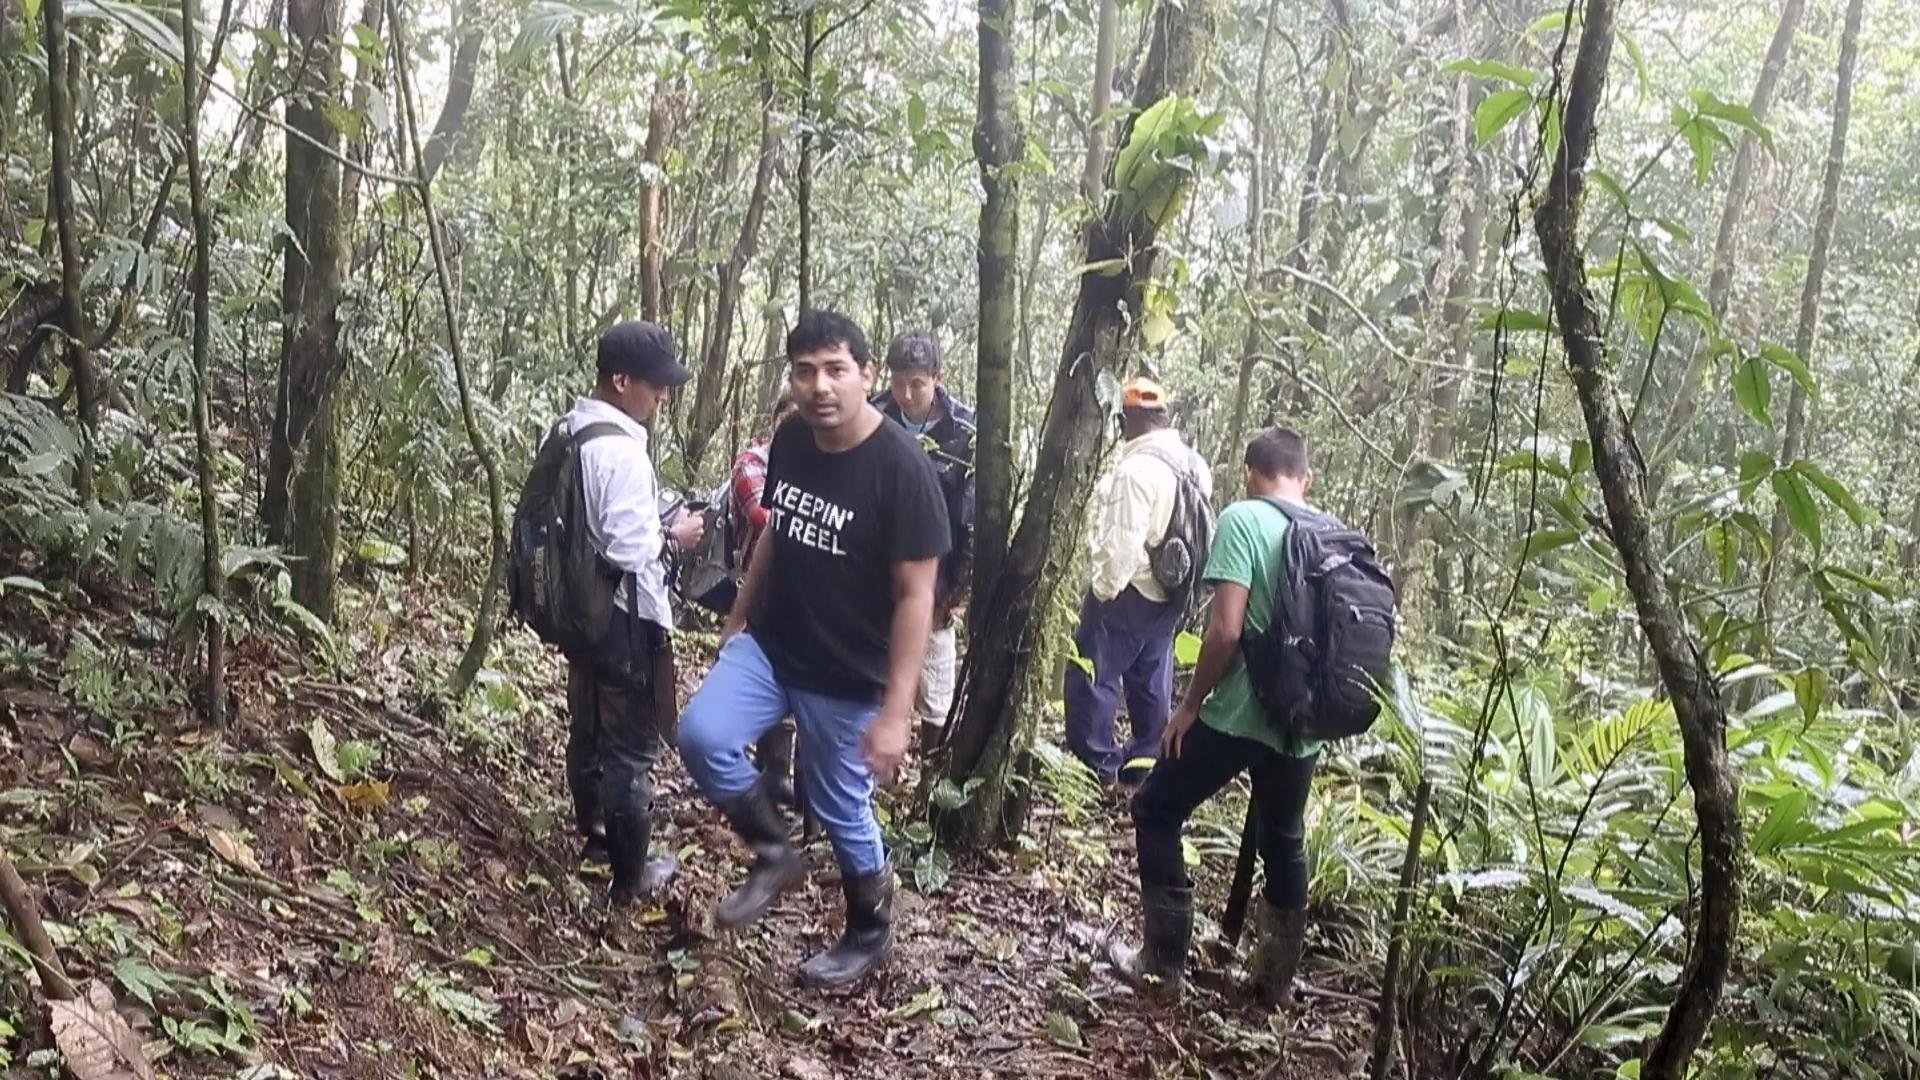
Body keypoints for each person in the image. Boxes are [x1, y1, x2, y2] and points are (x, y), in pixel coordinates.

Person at [677, 309, 949, 988]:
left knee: (840, 807)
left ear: (867, 375)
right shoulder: (793, 437)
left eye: (836, 370)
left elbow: (918, 597)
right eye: (805, 371)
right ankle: (774, 853)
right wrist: (738, 613)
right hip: (774, 645)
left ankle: (869, 928)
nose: (820, 386)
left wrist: (897, 711)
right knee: (702, 735)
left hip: (851, 673)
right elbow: (777, 529)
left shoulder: (903, 471)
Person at [1107, 427, 1323, 1003]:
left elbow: (1226, 629)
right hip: (1303, 728)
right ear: (1306, 479)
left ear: (1250, 471)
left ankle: (1162, 966)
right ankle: (1271, 987)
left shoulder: (1244, 519)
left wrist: (1188, 705)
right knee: (1286, 841)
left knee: (1156, 807)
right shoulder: (1329, 532)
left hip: (1239, 715)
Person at [558, 320, 705, 907]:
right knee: (632, 746)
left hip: (586, 612)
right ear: (620, 380)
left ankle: (594, 832)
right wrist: (676, 535)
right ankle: (630, 873)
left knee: (588, 724)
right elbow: (626, 548)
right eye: (655, 384)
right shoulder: (618, 449)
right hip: (625, 617)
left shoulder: (575, 428)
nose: (663, 396)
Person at [1065, 376, 1212, 791]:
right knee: (1151, 673)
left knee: (1093, 675)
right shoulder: (1193, 463)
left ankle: (1100, 767)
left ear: (1128, 419)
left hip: (1131, 590)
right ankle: (1145, 761)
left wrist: (1102, 592)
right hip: (1172, 591)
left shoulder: (1135, 471)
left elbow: (1122, 543)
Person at [873, 331, 976, 746]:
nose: (907, 393)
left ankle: (930, 772)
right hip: (875, 574)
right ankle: (878, 772)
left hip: (937, 573)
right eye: (899, 382)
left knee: (935, 682)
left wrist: (956, 592)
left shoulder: (966, 431)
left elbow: (971, 519)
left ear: (937, 377)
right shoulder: (873, 415)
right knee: (875, 673)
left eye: (917, 383)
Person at [724, 393, 801, 806]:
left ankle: (789, 782)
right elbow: (766, 519)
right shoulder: (753, 464)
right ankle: (766, 776)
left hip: (805, 598)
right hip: (760, 590)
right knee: (768, 676)